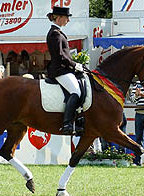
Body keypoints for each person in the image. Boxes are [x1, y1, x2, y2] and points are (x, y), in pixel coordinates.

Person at [46, 6, 83, 135]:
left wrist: (76, 64)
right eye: (67, 17)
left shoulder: (59, 32)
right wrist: (74, 65)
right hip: (59, 70)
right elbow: (60, 56)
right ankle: (67, 123)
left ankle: (80, 120)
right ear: (59, 17)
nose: (68, 20)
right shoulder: (55, 33)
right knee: (76, 91)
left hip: (65, 69)